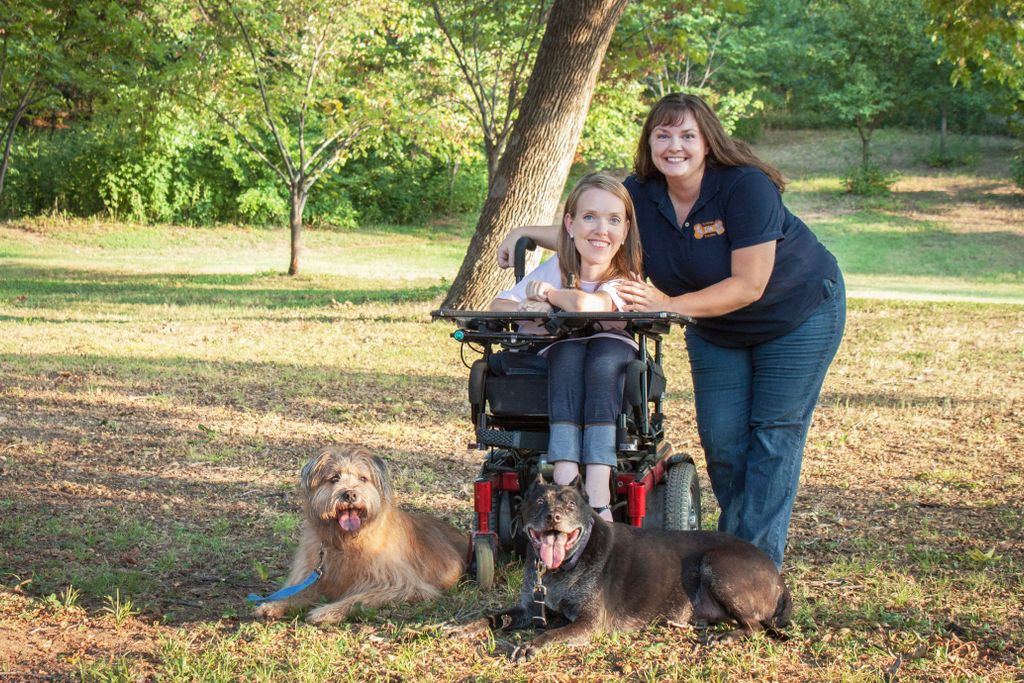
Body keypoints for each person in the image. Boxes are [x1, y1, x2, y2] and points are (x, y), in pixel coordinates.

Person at [497, 94, 845, 568]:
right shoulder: (642, 193)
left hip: (795, 314)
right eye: (662, 134)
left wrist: (668, 305)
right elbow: (598, 227)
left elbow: (749, 284)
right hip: (713, 324)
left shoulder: (745, 187)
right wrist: (524, 233)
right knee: (723, 442)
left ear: (708, 142)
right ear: (649, 142)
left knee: (772, 436)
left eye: (686, 135)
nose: (674, 145)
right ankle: (733, 545)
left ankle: (754, 566)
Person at [490, 173, 644, 522]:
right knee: (567, 354)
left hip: (611, 353)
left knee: (605, 358)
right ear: (570, 225)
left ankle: (599, 490)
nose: (600, 229)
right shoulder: (559, 266)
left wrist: (548, 296)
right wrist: (531, 308)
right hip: (563, 354)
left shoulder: (626, 276)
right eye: (589, 217)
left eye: (613, 220)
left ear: (625, 231)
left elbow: (589, 307)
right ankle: (564, 479)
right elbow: (499, 306)